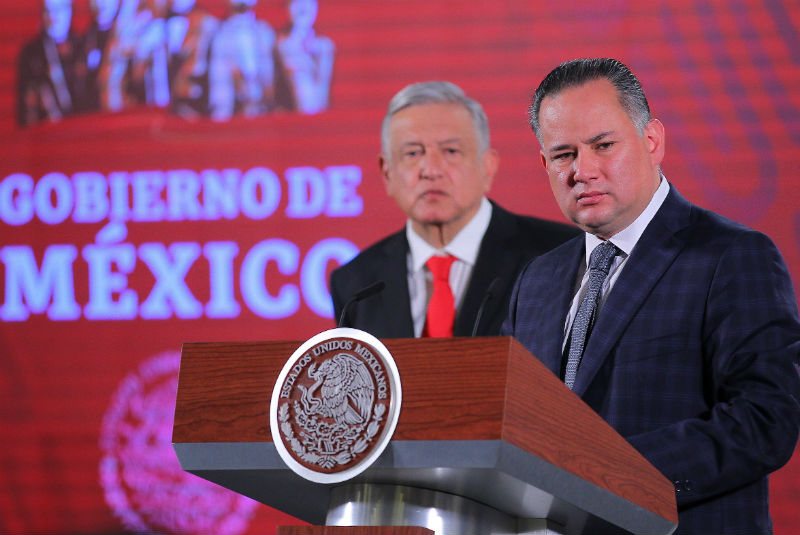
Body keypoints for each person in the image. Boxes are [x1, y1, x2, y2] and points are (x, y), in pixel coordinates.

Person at [502, 58, 800, 534]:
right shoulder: (536, 280)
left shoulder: (731, 256)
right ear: (545, 164)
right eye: (563, 155)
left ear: (652, 140)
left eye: (603, 145)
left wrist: (606, 472)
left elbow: (766, 419)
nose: (583, 170)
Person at [330, 81, 580, 338]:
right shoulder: (356, 284)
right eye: (413, 153)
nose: (431, 170)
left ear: (488, 166)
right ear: (387, 173)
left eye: (451, 151)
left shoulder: (560, 254)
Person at [17, 0, 87, 126]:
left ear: (71, 9)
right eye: (48, 10)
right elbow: (26, 109)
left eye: (60, 9)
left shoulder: (83, 47)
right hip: (45, 136)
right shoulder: (31, 53)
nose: (53, 16)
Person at [273, 0, 334, 114]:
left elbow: (322, 91)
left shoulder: (324, 46)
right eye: (296, 3)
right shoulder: (282, 45)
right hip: (289, 112)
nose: (302, 7)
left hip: (317, 108)